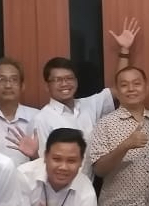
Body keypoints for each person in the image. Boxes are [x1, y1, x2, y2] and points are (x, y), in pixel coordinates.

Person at [32, 17, 141, 170]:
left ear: (76, 81)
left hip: (90, 182)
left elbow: (118, 90)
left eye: (69, 78)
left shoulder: (89, 105)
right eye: (57, 80)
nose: (64, 84)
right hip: (62, 183)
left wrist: (124, 51)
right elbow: (44, 163)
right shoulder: (42, 118)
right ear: (46, 86)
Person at [90, 66, 149, 206]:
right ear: (117, 91)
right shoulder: (105, 124)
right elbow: (99, 170)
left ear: (146, 87)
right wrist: (125, 145)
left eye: (136, 83)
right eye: (124, 85)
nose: (131, 89)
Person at [0, 56, 38, 167]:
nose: (8, 85)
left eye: (14, 79)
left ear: (22, 86)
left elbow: (49, 161)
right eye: (1, 79)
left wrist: (35, 155)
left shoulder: (37, 117)